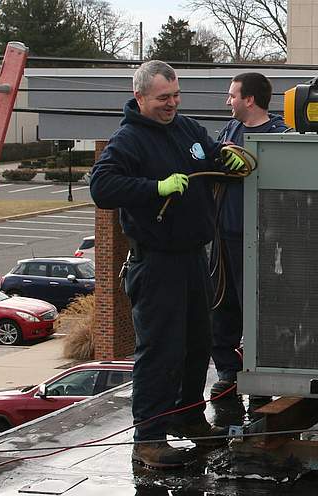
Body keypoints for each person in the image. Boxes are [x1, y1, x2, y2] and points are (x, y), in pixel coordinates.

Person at [90, 60, 239, 469]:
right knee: (160, 351)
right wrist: (155, 188)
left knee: (197, 344)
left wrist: (228, 161)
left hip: (194, 257)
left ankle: (188, 417)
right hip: (156, 263)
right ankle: (149, 438)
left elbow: (211, 155)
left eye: (175, 96)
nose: (171, 104)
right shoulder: (129, 140)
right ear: (140, 98)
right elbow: (102, 186)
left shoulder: (187, 129)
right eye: (163, 98)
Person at [209, 73, 287, 404]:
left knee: (257, 309)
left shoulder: (280, 136)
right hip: (223, 236)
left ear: (249, 100)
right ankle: (228, 371)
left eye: (232, 96)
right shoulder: (230, 132)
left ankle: (262, 376)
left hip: (261, 241)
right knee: (220, 307)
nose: (228, 101)